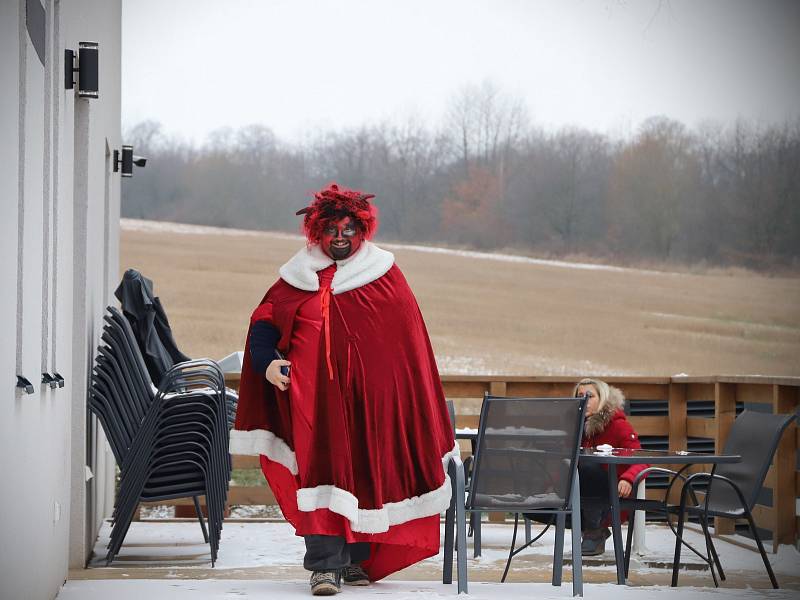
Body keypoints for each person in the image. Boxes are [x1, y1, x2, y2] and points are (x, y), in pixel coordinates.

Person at [230, 183, 457, 596]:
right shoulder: (297, 276)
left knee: (368, 473)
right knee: (320, 476)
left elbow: (408, 347)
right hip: (311, 404)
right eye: (332, 228)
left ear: (363, 231)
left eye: (349, 228)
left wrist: (394, 394)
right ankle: (324, 566)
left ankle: (356, 558)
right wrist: (265, 363)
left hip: (369, 407)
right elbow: (265, 321)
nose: (340, 236)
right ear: (317, 231)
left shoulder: (385, 276)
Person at [574, 377, 648, 556]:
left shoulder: (618, 425)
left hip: (614, 493)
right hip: (581, 493)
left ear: (603, 399)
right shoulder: (575, 425)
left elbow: (641, 458)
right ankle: (592, 531)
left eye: (590, 396)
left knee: (589, 465)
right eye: (580, 396)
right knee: (538, 510)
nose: (584, 400)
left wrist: (628, 479)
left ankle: (594, 531)